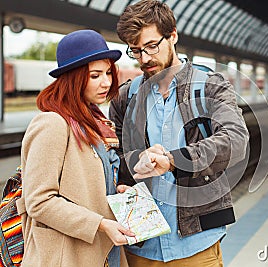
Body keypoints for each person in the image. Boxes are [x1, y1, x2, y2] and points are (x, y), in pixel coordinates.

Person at [109, 0, 249, 266]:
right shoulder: (126, 97)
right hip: (141, 247)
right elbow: (113, 158)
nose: (145, 58)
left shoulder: (210, 87)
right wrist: (133, 162)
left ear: (172, 35)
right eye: (136, 51)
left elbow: (235, 140)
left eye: (152, 46)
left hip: (196, 245)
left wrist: (173, 160)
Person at [18, 29, 135, 266]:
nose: (106, 82)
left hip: (104, 250)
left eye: (108, 73)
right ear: (73, 78)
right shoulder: (51, 123)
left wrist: (118, 189)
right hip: (67, 256)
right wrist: (100, 224)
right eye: (95, 75)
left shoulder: (96, 122)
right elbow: (39, 201)